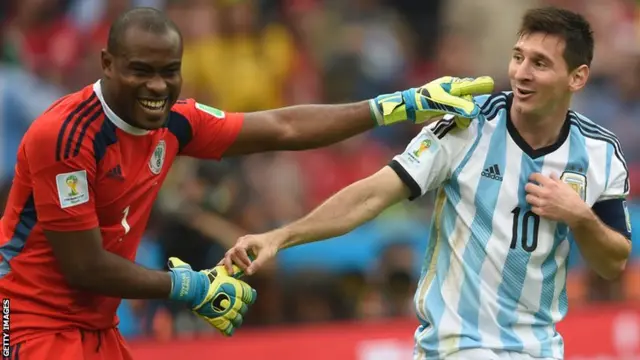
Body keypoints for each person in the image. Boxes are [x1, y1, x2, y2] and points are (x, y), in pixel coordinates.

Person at [0, 6, 494, 360]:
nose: (157, 86)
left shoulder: (175, 121)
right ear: (107, 65)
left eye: (169, 72)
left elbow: (283, 127)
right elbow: (84, 266)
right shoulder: (65, 136)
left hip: (97, 326)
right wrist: (189, 287)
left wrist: (399, 104)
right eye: (140, 71)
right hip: (30, 320)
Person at [223, 6, 633, 360]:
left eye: (540, 64)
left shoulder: (599, 153)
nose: (521, 74)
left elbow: (613, 262)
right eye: (518, 57)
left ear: (577, 78)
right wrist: (281, 236)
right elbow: (371, 195)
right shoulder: (465, 125)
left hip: (540, 349)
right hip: (455, 346)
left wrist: (579, 217)